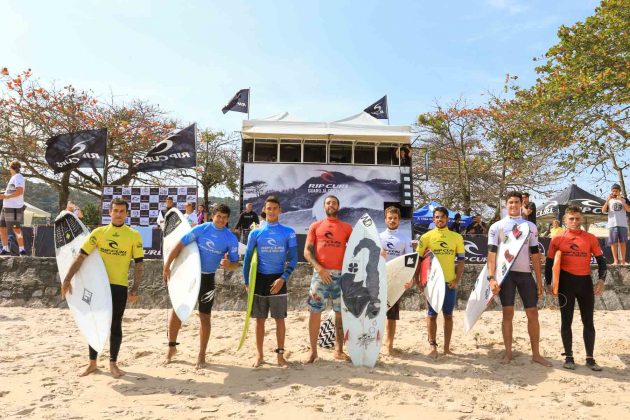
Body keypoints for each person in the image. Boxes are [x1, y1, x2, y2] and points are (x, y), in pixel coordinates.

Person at [61, 198, 144, 378]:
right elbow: (81, 257)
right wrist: (67, 279)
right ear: (110, 212)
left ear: (126, 213)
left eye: (122, 211)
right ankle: (92, 363)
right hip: (98, 286)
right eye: (116, 211)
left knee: (115, 324)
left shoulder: (134, 235)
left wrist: (135, 288)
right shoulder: (99, 233)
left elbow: (139, 265)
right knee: (95, 321)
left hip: (119, 286)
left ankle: (113, 364)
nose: (119, 214)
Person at [163, 203, 240, 368]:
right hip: (190, 276)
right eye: (218, 216)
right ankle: (171, 348)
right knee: (177, 310)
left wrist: (229, 265)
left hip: (207, 279)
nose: (221, 220)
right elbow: (179, 245)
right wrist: (167, 266)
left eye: (225, 217)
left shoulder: (230, 238)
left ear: (227, 219)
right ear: (213, 215)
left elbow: (235, 263)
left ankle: (201, 354)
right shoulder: (201, 229)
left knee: (205, 316)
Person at [487, 191, 551, 366]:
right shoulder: (497, 227)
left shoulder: (530, 226)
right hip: (505, 275)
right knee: (508, 313)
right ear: (505, 205)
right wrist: (491, 278)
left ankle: (536, 354)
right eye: (510, 202)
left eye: (516, 202)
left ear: (521, 204)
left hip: (525, 275)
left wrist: (539, 280)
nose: (513, 205)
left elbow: (536, 255)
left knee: (533, 313)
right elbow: (491, 254)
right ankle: (508, 353)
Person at [545, 206, 607, 371]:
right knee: (566, 321)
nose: (574, 222)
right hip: (566, 284)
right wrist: (548, 283)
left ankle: (590, 358)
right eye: (571, 219)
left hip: (585, 283)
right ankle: (569, 357)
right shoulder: (557, 239)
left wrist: (601, 280)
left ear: (581, 219)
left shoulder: (590, 238)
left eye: (577, 218)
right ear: (565, 220)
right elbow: (550, 262)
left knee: (588, 321)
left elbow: (601, 261)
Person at [242, 196, 297, 368]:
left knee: (279, 319)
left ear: (280, 210)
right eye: (268, 208)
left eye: (275, 208)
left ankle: (280, 356)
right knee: (259, 320)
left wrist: (283, 278)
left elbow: (294, 259)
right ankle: (259, 355)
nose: (271, 211)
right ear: (264, 210)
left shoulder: (288, 232)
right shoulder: (256, 232)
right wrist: (246, 281)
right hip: (259, 280)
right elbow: (247, 258)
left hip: (278, 278)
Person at [303, 195, 353, 363]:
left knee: (341, 313)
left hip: (342, 276)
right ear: (324, 206)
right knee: (315, 312)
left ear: (338, 206)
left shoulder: (346, 228)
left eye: (334, 203)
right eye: (328, 203)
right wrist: (320, 269)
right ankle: (313, 351)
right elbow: (307, 252)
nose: (331, 205)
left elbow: (357, 249)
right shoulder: (316, 226)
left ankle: (338, 350)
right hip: (320, 275)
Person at [416, 206, 465, 358]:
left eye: (442, 217)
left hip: (449, 282)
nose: (439, 219)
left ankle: (447, 348)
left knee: (448, 315)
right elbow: (419, 260)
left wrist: (457, 280)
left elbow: (462, 261)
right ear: (433, 219)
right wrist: (418, 280)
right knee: (432, 315)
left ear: (447, 219)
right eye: (437, 217)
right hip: (432, 284)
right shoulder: (426, 237)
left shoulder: (457, 237)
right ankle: (432, 346)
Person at [379, 206, 413, 356]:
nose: (392, 221)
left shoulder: (405, 238)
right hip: (378, 280)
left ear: (399, 220)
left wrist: (410, 280)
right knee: (374, 314)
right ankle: (373, 344)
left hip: (396, 282)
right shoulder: (378, 237)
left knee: (392, 316)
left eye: (395, 218)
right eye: (389, 218)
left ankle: (389, 346)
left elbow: (410, 262)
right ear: (385, 219)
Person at [0, 161, 27, 256]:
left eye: (9, 167)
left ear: (12, 167)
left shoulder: (18, 177)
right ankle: (5, 248)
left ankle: (22, 250)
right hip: (6, 207)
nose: (8, 169)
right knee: (2, 228)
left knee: (16, 229)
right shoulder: (13, 177)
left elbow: (19, 192)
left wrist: (4, 196)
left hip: (14, 207)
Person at [601, 183, 630, 265]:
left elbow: (628, 210)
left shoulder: (625, 199)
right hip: (612, 224)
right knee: (613, 243)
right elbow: (603, 210)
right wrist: (607, 200)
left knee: (623, 243)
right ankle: (615, 261)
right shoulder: (609, 200)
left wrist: (621, 200)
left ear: (619, 191)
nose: (614, 192)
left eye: (616, 191)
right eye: (613, 191)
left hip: (622, 224)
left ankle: (623, 261)